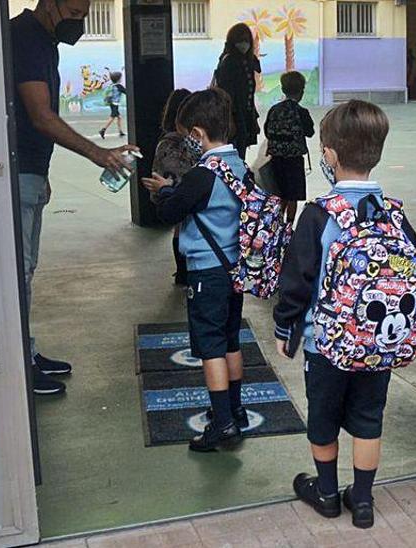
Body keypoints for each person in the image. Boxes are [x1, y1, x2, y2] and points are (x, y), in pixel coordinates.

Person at [273, 101, 416, 529]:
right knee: (368, 418)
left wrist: (286, 327)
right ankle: (363, 500)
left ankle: (326, 492)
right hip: (380, 342)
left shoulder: (319, 215)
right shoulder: (394, 213)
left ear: (330, 154)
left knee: (323, 418)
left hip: (328, 345)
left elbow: (296, 281)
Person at [11, 0, 139, 396]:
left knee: (26, 271)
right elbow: (40, 115)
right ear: (49, 4)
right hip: (15, 172)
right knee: (19, 273)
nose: (80, 23)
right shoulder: (25, 39)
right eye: (76, 14)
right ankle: (19, 366)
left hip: (29, 170)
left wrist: (41, 174)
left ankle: (26, 353)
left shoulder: (43, 41)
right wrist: (98, 153)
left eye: (85, 16)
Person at [141, 89, 247, 452]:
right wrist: (177, 190)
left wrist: (164, 193)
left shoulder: (203, 174)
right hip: (234, 269)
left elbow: (170, 213)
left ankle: (222, 423)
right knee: (231, 339)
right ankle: (236, 409)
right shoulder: (239, 167)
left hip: (206, 272)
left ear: (198, 135)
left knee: (210, 348)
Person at [263, 71, 315, 223]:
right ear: (301, 91)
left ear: (283, 90)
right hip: (294, 160)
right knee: (293, 196)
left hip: (276, 160)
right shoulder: (301, 112)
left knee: (279, 195)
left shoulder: (274, 110)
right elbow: (310, 132)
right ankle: (289, 225)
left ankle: (276, 225)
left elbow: (267, 131)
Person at [213, 23, 261, 161]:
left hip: (244, 115)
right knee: (235, 154)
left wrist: (252, 118)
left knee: (240, 152)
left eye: (247, 40)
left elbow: (248, 95)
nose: (244, 43)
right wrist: (231, 119)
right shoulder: (229, 62)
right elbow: (228, 94)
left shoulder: (245, 60)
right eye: (241, 40)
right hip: (234, 116)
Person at [161, 88, 195, 287]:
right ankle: (187, 270)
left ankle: (181, 272)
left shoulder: (166, 141)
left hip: (173, 190)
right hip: (189, 191)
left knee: (179, 229)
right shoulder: (190, 140)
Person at [98, 71, 126, 139]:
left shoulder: (112, 85)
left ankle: (120, 132)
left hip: (112, 103)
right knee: (112, 117)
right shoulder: (119, 86)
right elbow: (126, 92)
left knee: (119, 117)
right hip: (115, 104)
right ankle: (103, 130)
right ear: (118, 79)